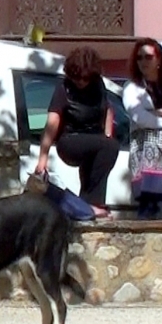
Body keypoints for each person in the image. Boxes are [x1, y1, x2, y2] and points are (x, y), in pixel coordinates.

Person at [35, 47, 119, 218]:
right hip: (70, 141)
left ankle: (84, 207)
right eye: (76, 77)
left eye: (85, 78)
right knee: (109, 146)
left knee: (104, 150)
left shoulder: (98, 86)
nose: (80, 82)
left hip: (93, 140)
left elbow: (107, 110)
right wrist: (43, 158)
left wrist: (107, 135)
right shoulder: (64, 89)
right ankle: (92, 204)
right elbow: (52, 123)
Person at [122, 38, 162, 219]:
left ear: (159, 59)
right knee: (148, 206)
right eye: (139, 57)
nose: (143, 61)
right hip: (148, 154)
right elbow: (138, 116)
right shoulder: (132, 88)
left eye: (148, 57)